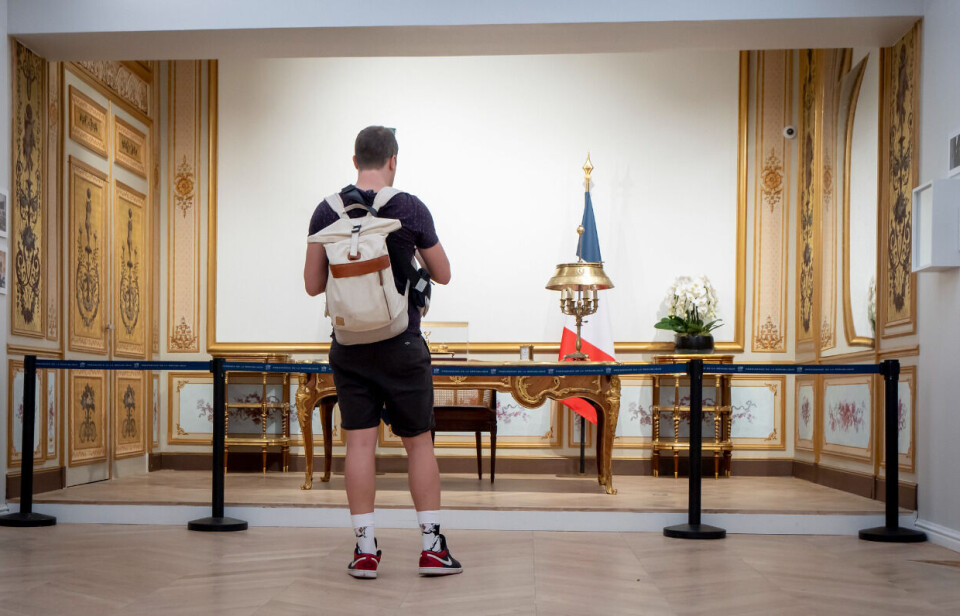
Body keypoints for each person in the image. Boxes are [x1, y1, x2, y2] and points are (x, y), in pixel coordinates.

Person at [303, 126, 460, 579]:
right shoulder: (408, 206)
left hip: (349, 347)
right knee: (418, 445)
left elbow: (313, 285)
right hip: (402, 343)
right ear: (393, 160)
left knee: (359, 444)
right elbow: (443, 273)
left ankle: (365, 551)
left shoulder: (325, 211)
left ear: (355, 160)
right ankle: (432, 548)